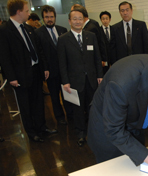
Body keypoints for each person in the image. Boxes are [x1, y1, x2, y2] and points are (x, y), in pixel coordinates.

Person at [0, 0, 56, 142]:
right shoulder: (5, 30)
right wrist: (11, 77)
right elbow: (4, 56)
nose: (29, 13)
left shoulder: (29, 28)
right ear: (18, 12)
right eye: (26, 10)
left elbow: (38, 50)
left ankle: (42, 128)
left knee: (38, 102)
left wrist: (44, 68)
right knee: (26, 105)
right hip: (20, 75)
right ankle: (32, 133)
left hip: (36, 71)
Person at [58, 9, 103, 147]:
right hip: (74, 81)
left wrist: (100, 75)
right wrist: (65, 81)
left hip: (91, 79)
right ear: (70, 21)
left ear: (84, 20)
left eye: (80, 18)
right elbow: (62, 62)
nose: (78, 21)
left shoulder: (91, 36)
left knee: (93, 107)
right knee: (78, 109)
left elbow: (97, 58)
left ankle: (94, 132)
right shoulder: (63, 39)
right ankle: (81, 134)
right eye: (75, 19)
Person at [36, 5, 71, 125]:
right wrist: (45, 69)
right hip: (51, 72)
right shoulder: (38, 33)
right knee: (55, 97)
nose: (49, 19)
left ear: (55, 17)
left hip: (64, 71)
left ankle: (70, 114)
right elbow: (40, 54)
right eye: (46, 17)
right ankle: (60, 117)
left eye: (51, 17)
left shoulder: (63, 30)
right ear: (43, 18)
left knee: (67, 94)